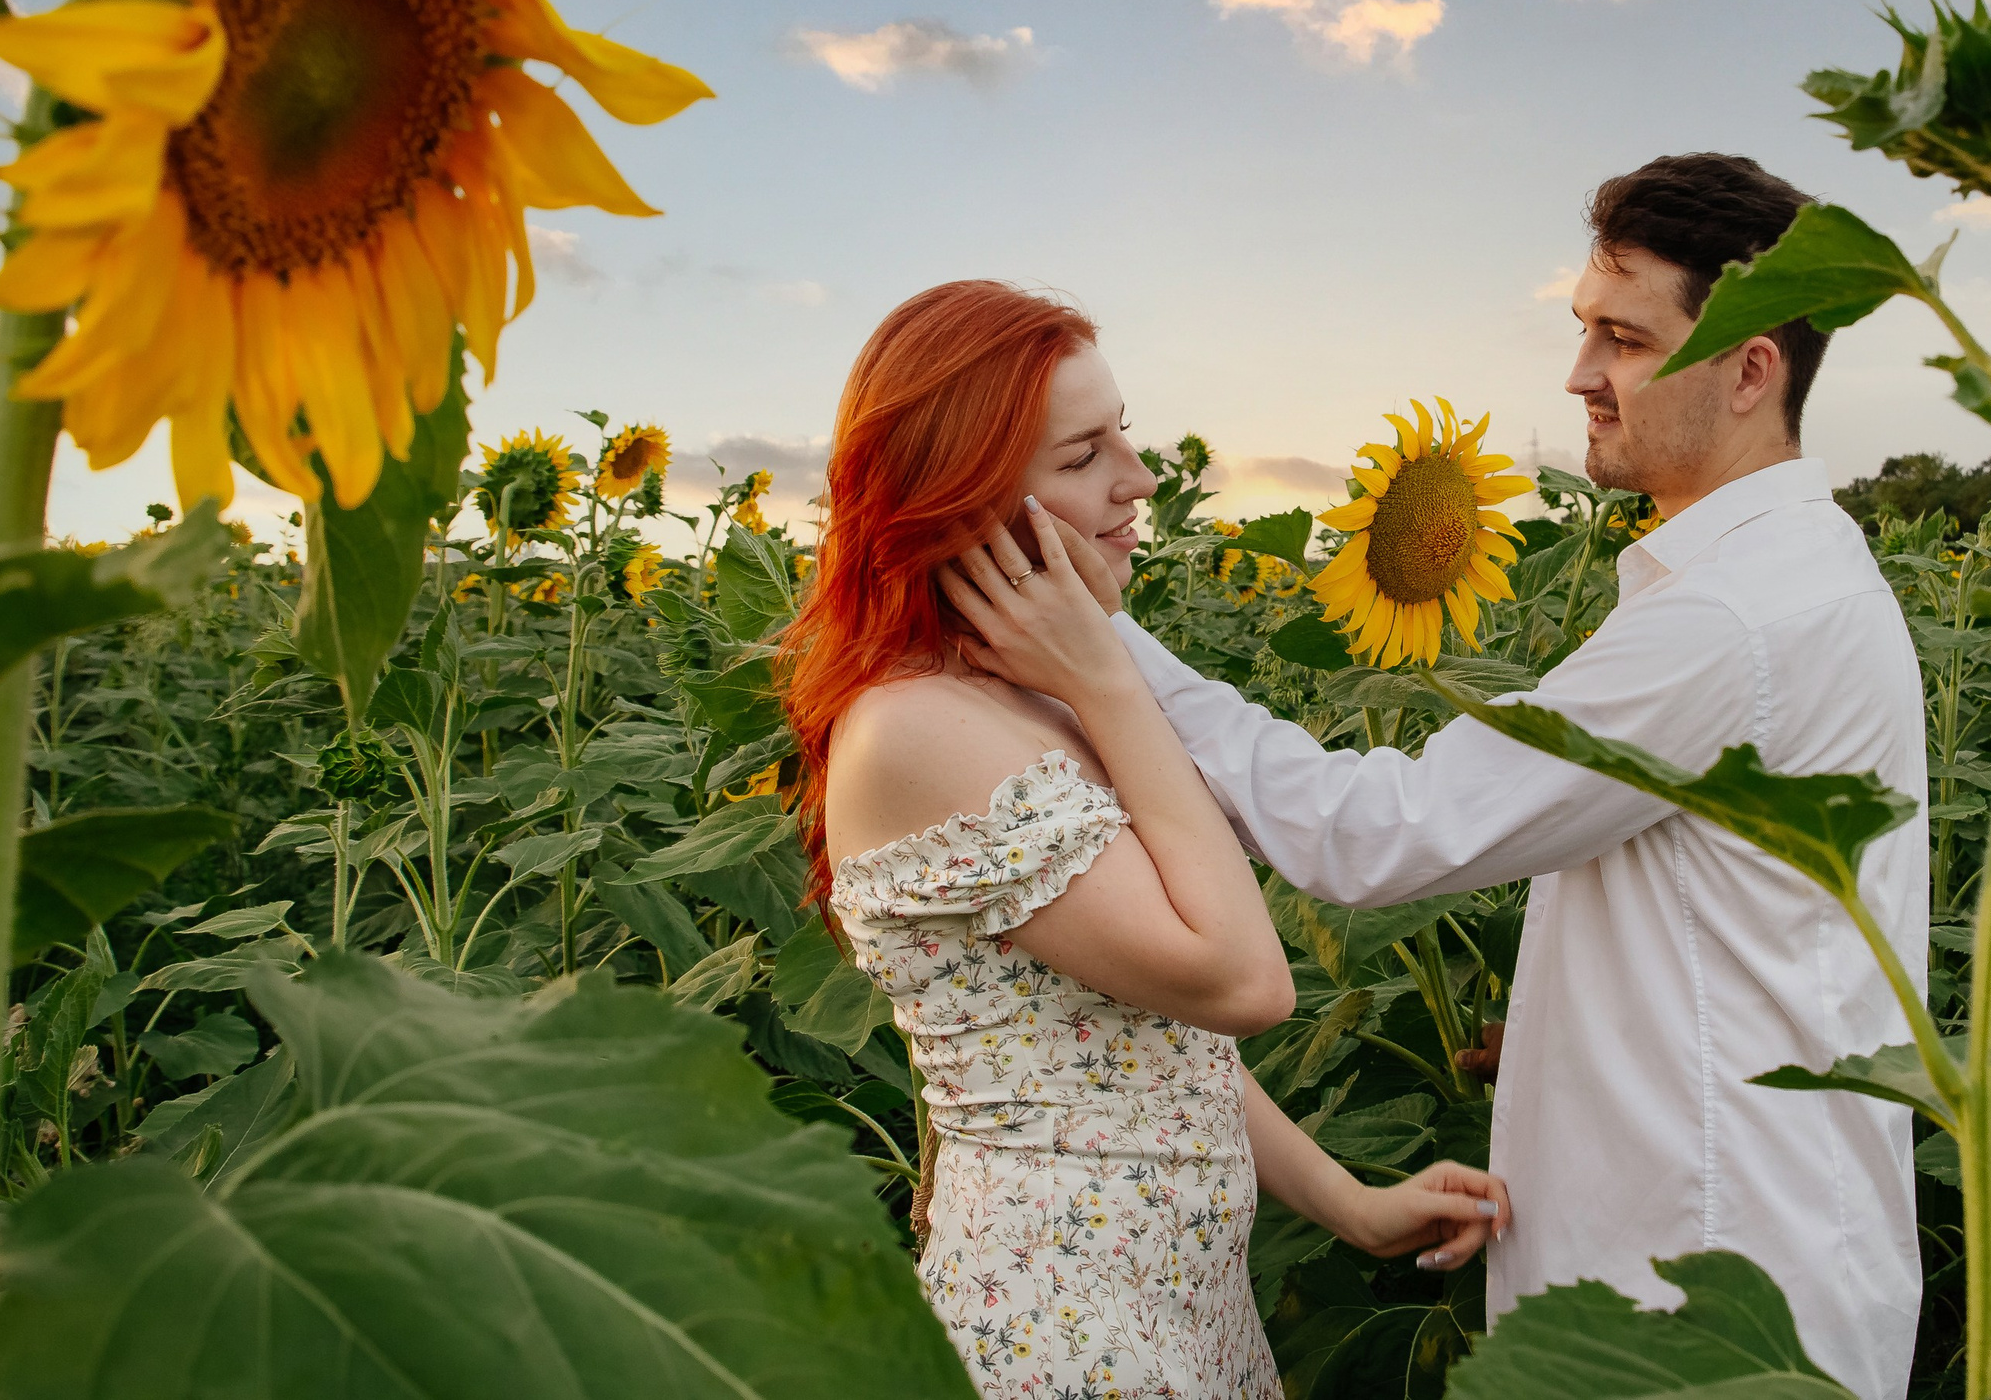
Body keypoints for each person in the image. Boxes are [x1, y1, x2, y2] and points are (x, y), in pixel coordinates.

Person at [949, 155, 1931, 1400]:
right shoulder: (1778, 582)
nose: (1579, 375)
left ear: (1750, 369)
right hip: (1726, 1252)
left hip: (1704, 1296)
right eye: (1583, 329)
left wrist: (1097, 647)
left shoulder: (1732, 622)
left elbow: (1379, 838)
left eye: (1623, 338)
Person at [784, 280, 1514, 1400]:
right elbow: (1243, 983)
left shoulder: (1020, 704)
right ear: (961, 502)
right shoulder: (915, 729)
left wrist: (1350, 1204)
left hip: (1170, 1300)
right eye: (1083, 456)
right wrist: (1109, 679)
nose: (1137, 478)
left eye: (1122, 430)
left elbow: (1150, 1049)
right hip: (1056, 1319)